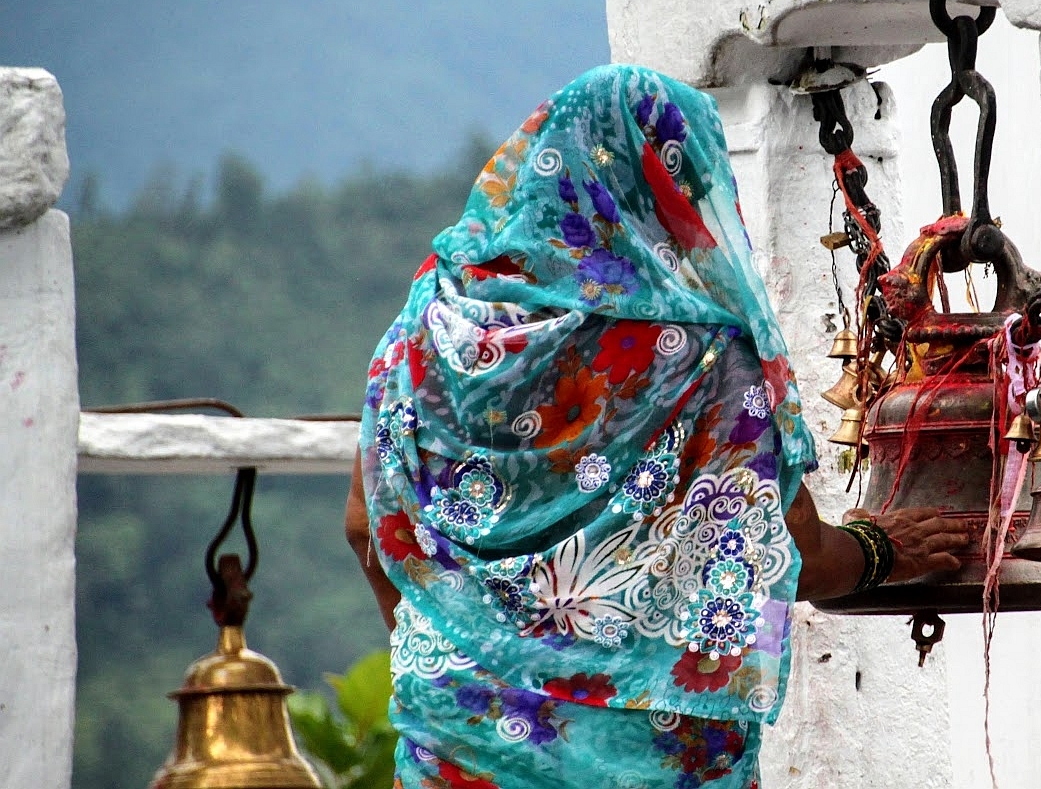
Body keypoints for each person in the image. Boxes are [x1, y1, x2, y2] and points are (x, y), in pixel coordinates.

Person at [345, 64, 968, 789]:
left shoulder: (423, 337)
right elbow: (784, 557)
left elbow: (367, 529)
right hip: (650, 758)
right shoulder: (704, 361)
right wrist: (884, 549)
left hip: (458, 742)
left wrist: (469, 652)